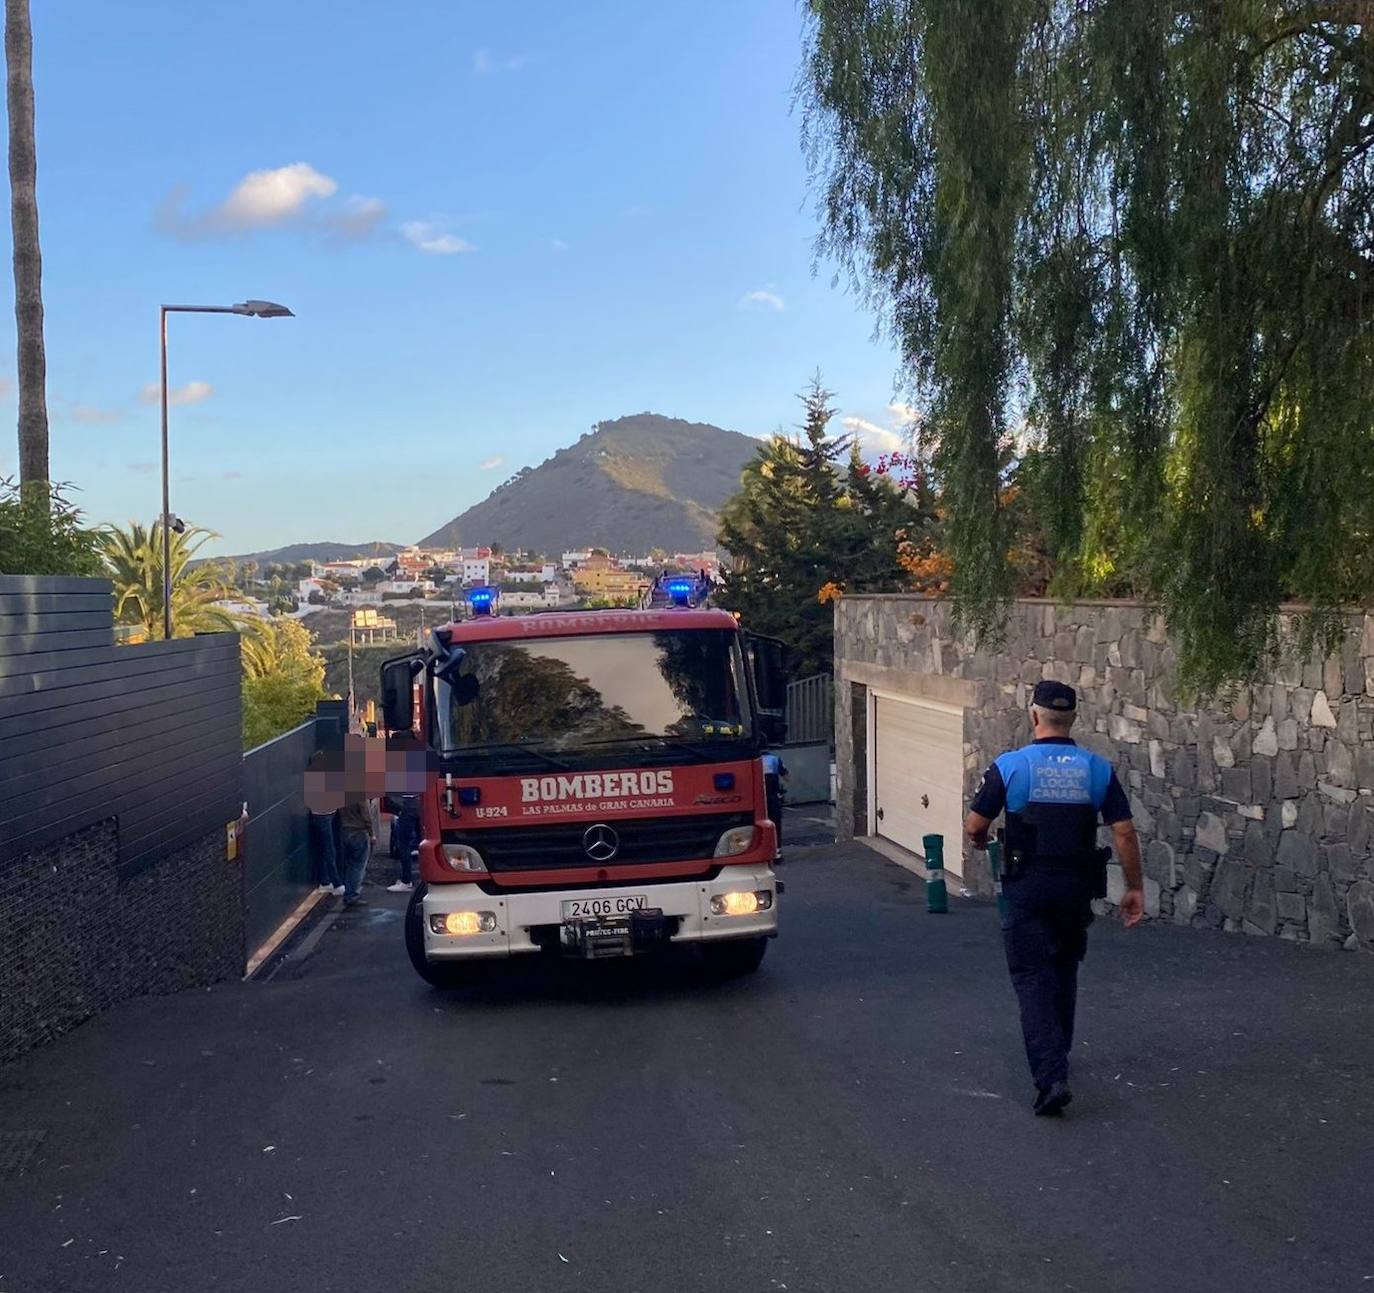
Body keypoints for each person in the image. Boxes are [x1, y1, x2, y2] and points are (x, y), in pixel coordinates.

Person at [965, 680, 1144, 1116]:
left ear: (1033, 716)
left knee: (1031, 977)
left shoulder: (1011, 766)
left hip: (1027, 885)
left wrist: (980, 838)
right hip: (1075, 887)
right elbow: (1123, 830)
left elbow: (975, 824)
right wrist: (1134, 887)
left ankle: (1050, 1079)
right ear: (1074, 719)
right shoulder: (1097, 768)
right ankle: (1057, 1052)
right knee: (1063, 968)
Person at [339, 790, 380, 908]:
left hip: (345, 830)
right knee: (358, 865)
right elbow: (366, 815)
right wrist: (372, 834)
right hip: (359, 832)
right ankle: (352, 895)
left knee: (350, 865)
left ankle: (348, 892)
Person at [386, 793, 420, 893]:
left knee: (403, 843)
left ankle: (406, 881)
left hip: (407, 804)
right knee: (421, 839)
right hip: (419, 802)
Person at [761, 751, 788, 857]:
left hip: (758, 798)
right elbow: (786, 776)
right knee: (775, 823)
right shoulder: (774, 759)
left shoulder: (750, 758)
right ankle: (776, 849)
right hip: (773, 797)